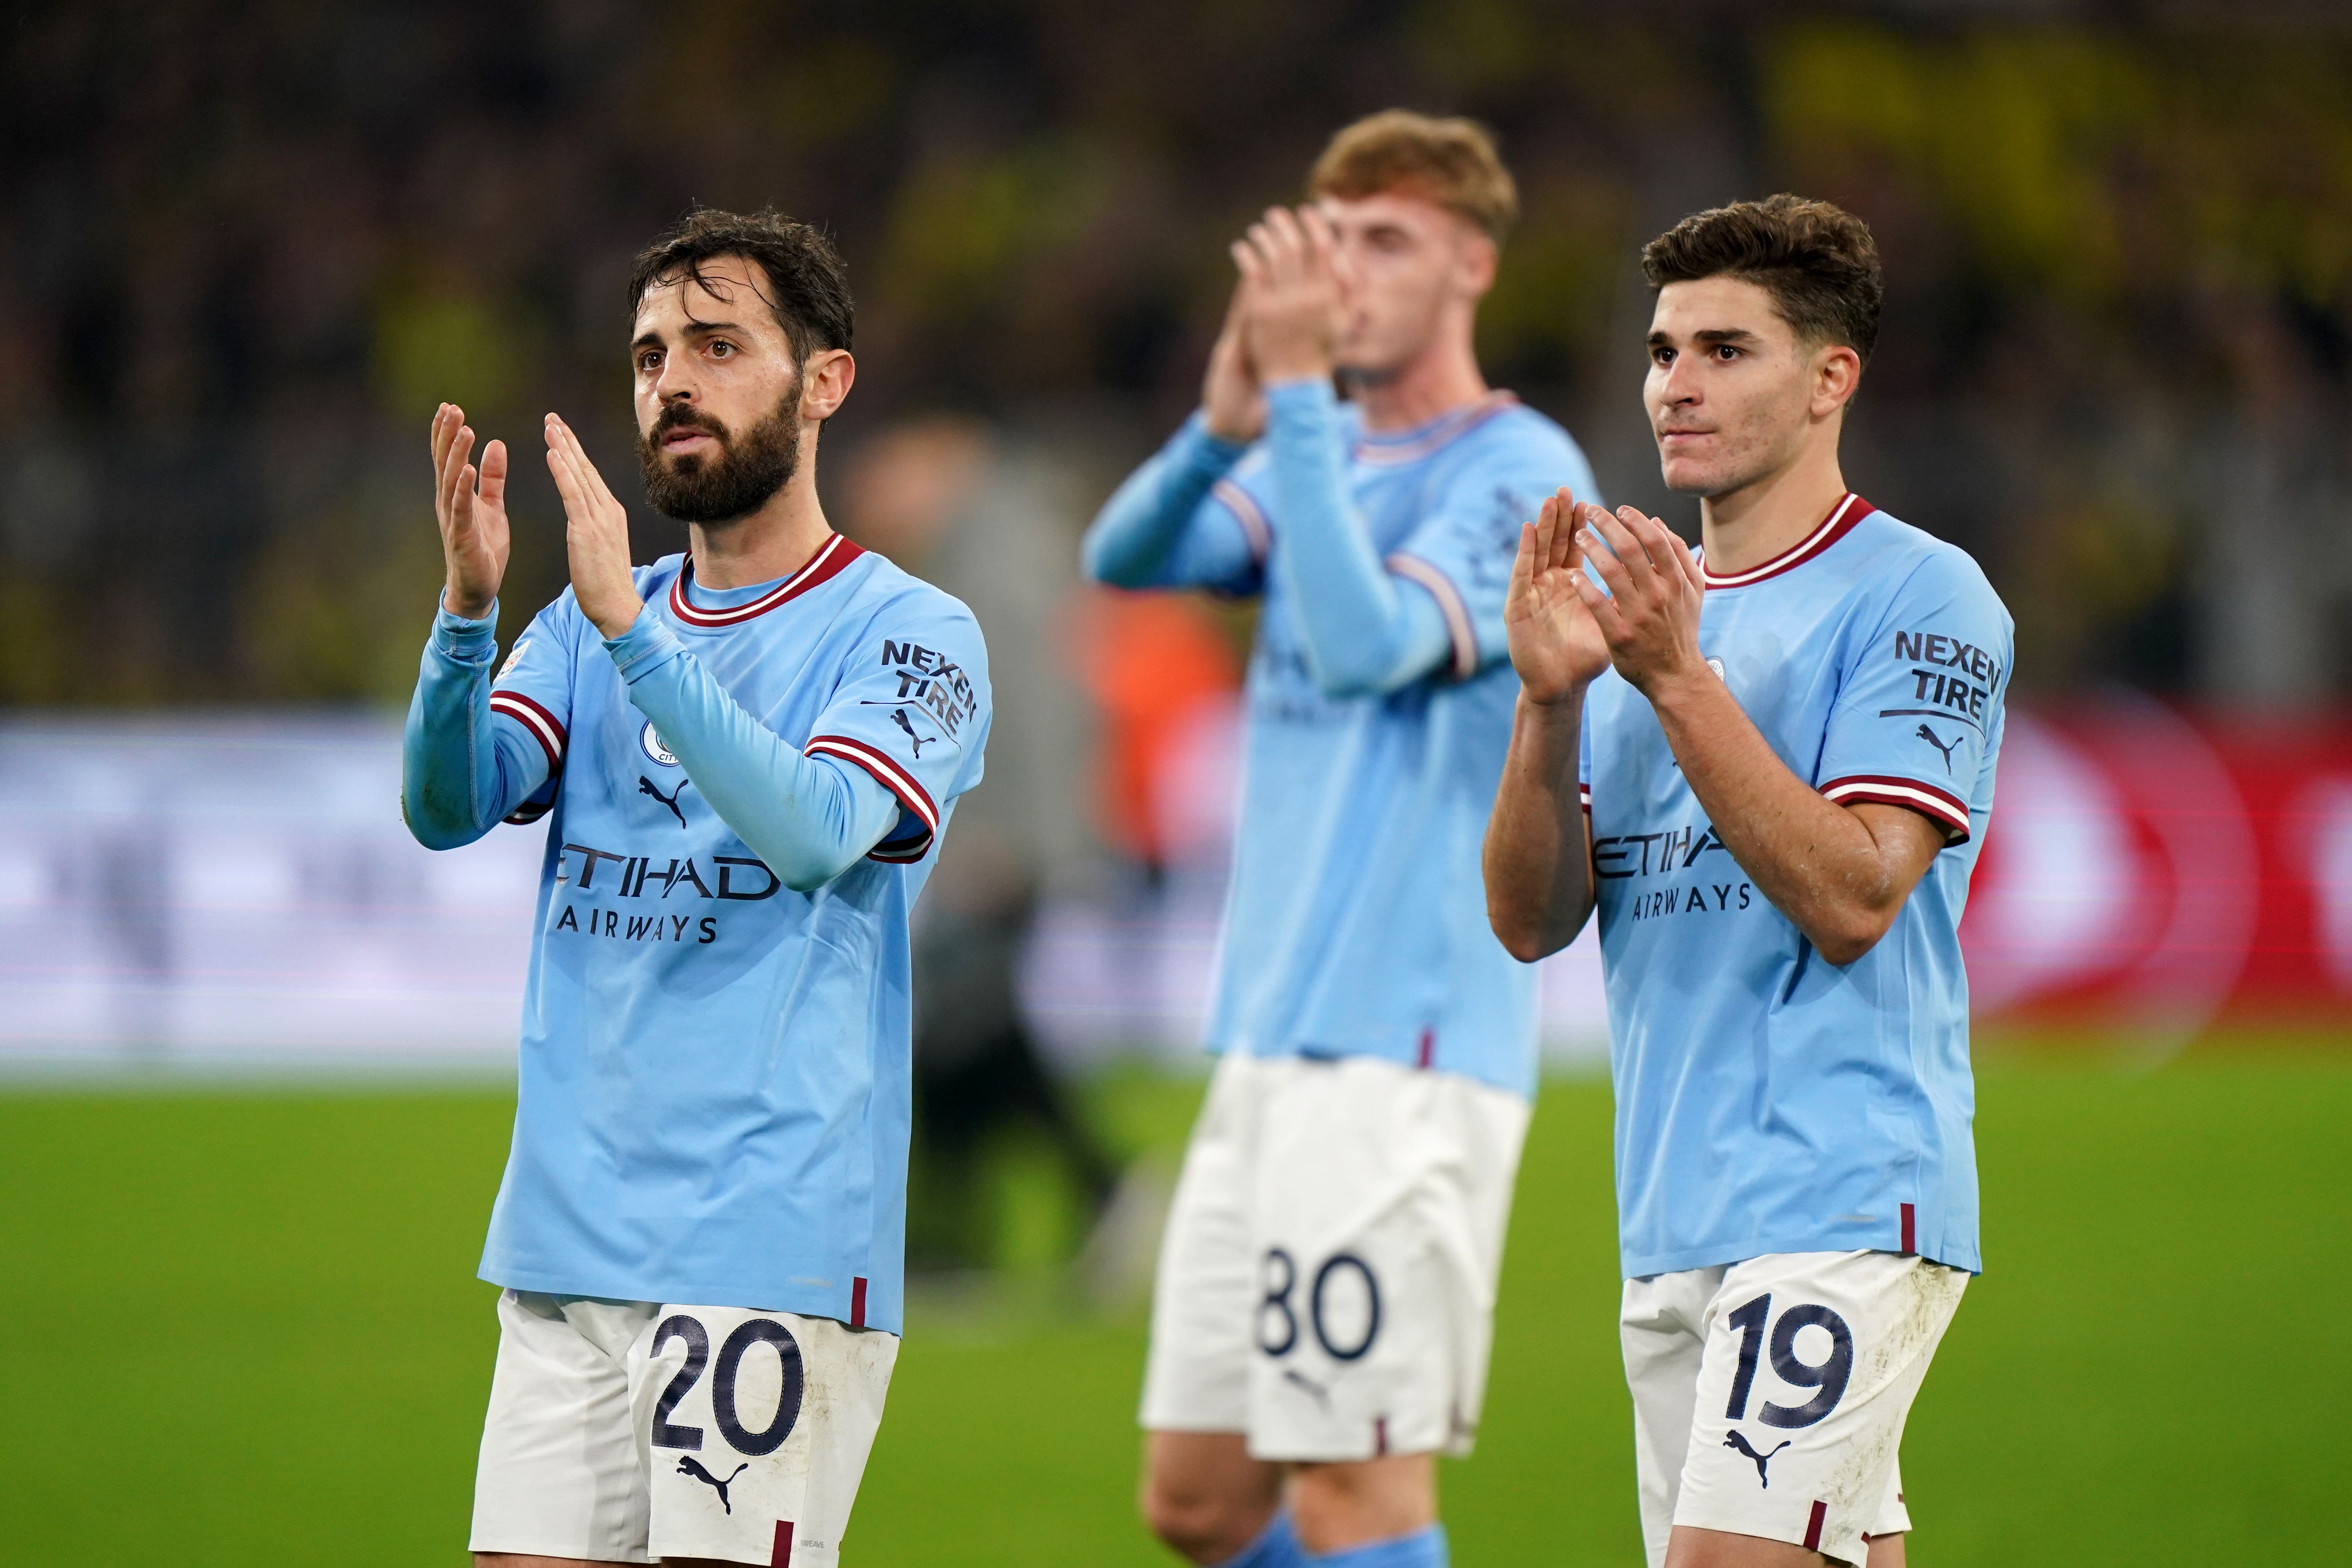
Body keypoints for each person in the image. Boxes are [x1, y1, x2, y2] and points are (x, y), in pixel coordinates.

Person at [402, 207, 990, 1568]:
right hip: (564, 1237)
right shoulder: (584, 618)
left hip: (763, 1241)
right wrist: (467, 613)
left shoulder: (906, 633)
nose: (674, 380)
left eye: (720, 346)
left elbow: (815, 827)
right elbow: (446, 806)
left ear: (823, 380)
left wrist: (636, 639)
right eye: (653, 352)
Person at [1083, 111, 1600, 1568]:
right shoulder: (1328, 451)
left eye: (1389, 240)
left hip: (1404, 1051)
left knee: (1353, 1493)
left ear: (1471, 263)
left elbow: (1374, 644)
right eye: (1334, 240)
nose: (1350, 272)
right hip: (1269, 1041)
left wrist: (1301, 403)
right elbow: (1120, 558)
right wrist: (1229, 412)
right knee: (1197, 1500)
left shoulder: (1518, 469)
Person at [1481, 195, 2011, 1568]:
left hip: (1839, 1190)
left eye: (1724, 348)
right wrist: (1546, 706)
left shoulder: (1918, 596)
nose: (1675, 384)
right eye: (1662, 351)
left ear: (1831, 375)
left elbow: (1853, 895)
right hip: (1670, 1210)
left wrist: (1672, 676)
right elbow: (1530, 922)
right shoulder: (1630, 618)